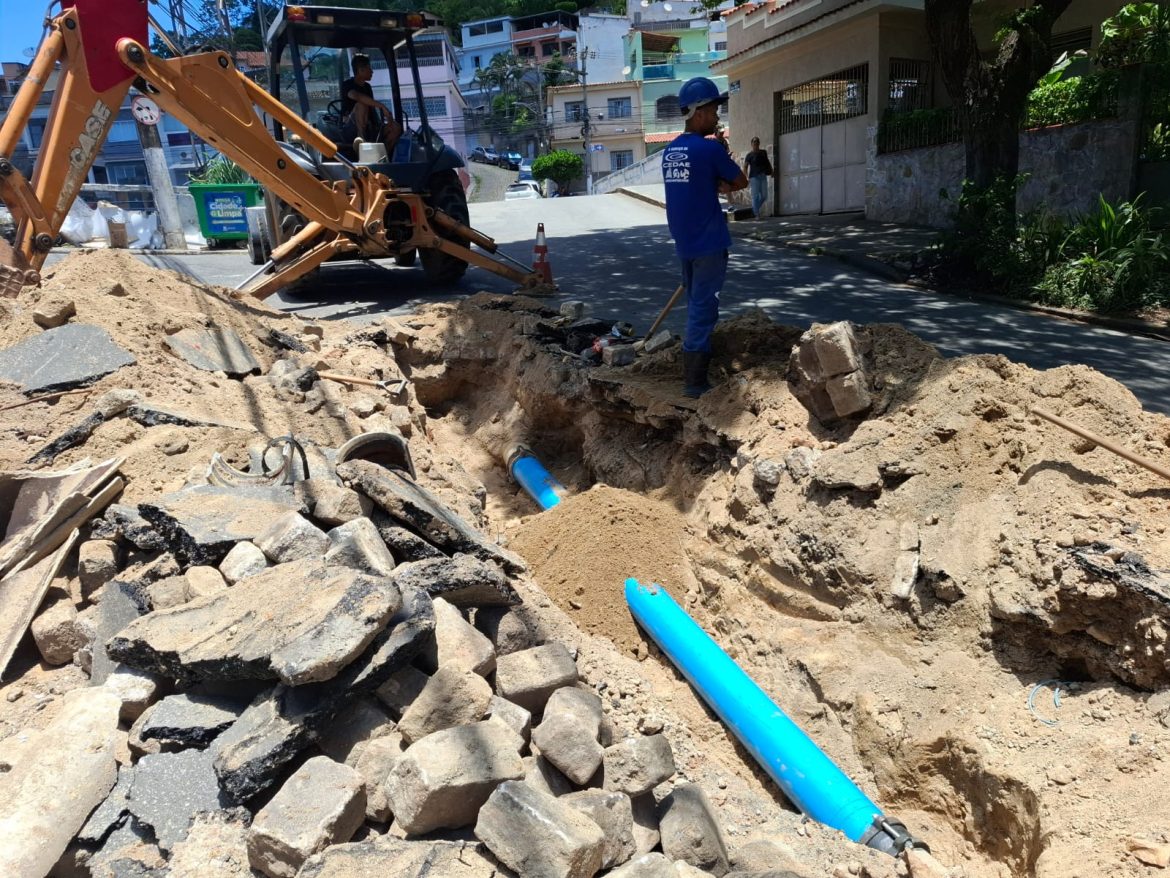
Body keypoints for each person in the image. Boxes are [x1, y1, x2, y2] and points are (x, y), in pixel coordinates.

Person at [661, 77, 748, 398]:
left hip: (684, 241)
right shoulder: (709, 149)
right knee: (703, 307)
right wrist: (722, 160)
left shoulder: (670, 152)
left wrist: (714, 182)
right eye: (713, 110)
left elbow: (694, 187)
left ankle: (694, 370)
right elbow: (740, 181)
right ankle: (695, 382)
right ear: (698, 111)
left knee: (696, 301)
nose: (716, 117)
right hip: (709, 241)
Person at [341, 53, 393, 145]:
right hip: (350, 129)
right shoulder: (347, 84)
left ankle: (382, 157)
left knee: (395, 128)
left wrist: (387, 118)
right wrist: (382, 106)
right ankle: (361, 142)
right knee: (361, 105)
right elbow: (357, 96)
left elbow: (372, 110)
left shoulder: (367, 87)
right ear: (361, 70)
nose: (372, 72)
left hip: (369, 127)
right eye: (369, 68)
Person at [743, 136, 774, 219]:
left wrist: (771, 171)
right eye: (754, 143)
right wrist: (746, 177)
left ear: (759, 143)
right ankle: (757, 214)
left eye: (757, 142)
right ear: (751, 144)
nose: (755, 144)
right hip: (753, 177)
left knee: (764, 196)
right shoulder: (749, 155)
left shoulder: (763, 152)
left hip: (763, 176)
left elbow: (767, 162)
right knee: (755, 196)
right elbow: (745, 167)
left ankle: (754, 209)